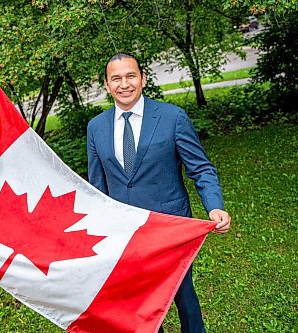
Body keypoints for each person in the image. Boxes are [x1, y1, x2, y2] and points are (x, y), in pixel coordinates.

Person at [86, 53, 231, 333]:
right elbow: (97, 185)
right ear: (106, 85)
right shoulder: (96, 127)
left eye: (130, 76)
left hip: (170, 226)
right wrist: (99, 231)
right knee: (143, 301)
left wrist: (214, 206)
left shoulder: (172, 117)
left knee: (182, 294)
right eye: (116, 78)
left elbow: (200, 168)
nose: (124, 84)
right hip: (126, 232)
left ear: (143, 79)